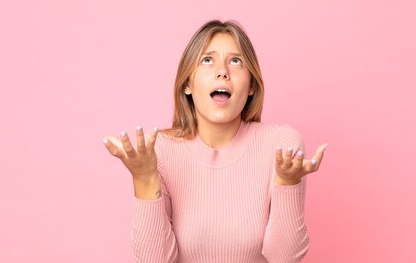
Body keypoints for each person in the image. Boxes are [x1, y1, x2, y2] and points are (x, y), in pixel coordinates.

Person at [103, 19, 328, 263]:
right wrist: (144, 179)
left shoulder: (281, 144)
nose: (222, 71)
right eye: (207, 60)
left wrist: (287, 183)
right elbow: (155, 260)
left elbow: (285, 258)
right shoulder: (161, 151)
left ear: (251, 85)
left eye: (235, 61)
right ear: (187, 83)